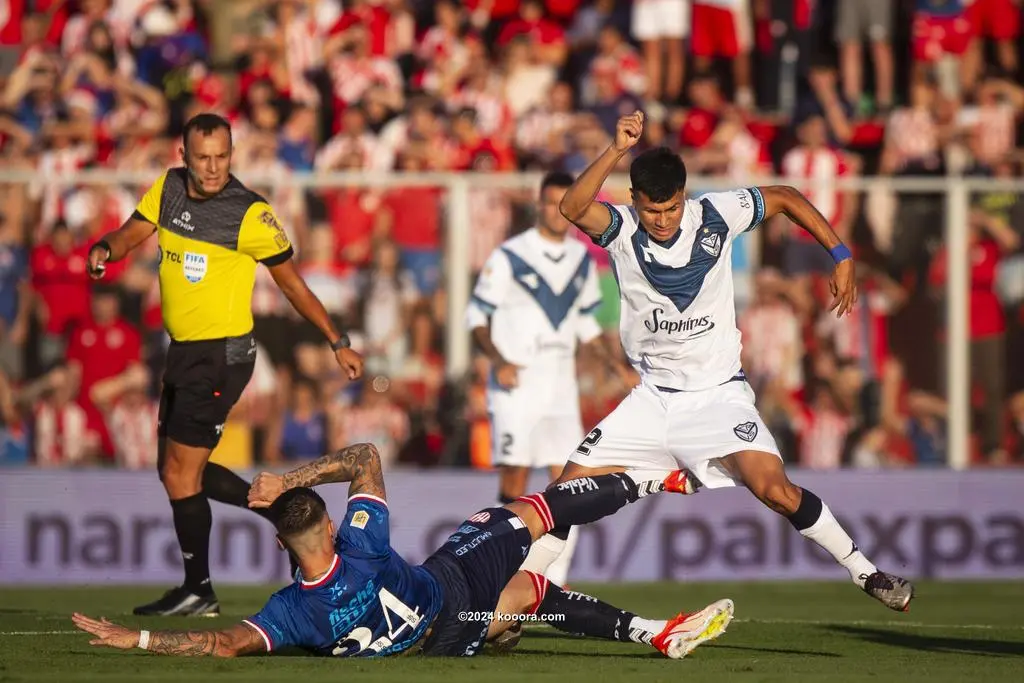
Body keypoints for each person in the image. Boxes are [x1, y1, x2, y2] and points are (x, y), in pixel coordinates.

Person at [523, 110, 914, 613]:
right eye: (651, 211)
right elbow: (573, 206)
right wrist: (617, 149)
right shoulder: (620, 228)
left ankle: (867, 573)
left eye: (670, 208)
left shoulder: (716, 214)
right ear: (635, 201)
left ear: (684, 196)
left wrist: (840, 254)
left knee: (776, 490)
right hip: (652, 400)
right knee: (562, 496)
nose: (662, 221)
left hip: (718, 397)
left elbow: (787, 198)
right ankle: (524, 602)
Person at [71, 442, 733, 659]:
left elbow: (218, 643)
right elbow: (365, 456)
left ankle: (656, 633)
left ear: (280, 543)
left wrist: (135, 639)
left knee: (527, 600)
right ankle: (660, 479)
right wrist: (293, 478)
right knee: (529, 512)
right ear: (329, 528)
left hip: (446, 637)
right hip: (451, 585)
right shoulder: (359, 543)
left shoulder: (286, 616)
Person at [85, 113, 365, 617]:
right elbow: (132, 232)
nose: (213, 169)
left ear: (232, 154)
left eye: (222, 157)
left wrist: (336, 340)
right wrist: (107, 247)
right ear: (182, 154)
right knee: (172, 470)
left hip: (221, 357)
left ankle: (201, 588)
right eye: (202, 158)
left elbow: (293, 285)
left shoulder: (250, 214)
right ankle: (280, 511)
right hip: (184, 351)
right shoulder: (168, 189)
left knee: (180, 472)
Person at [466, 171, 630, 588]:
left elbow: (586, 326)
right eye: (552, 203)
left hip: (560, 385)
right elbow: (477, 317)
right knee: (515, 479)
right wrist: (498, 359)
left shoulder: (580, 259)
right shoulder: (510, 255)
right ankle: (503, 571)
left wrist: (616, 367)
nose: (559, 213)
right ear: (539, 205)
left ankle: (553, 578)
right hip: (517, 382)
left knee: (569, 480)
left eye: (565, 204)